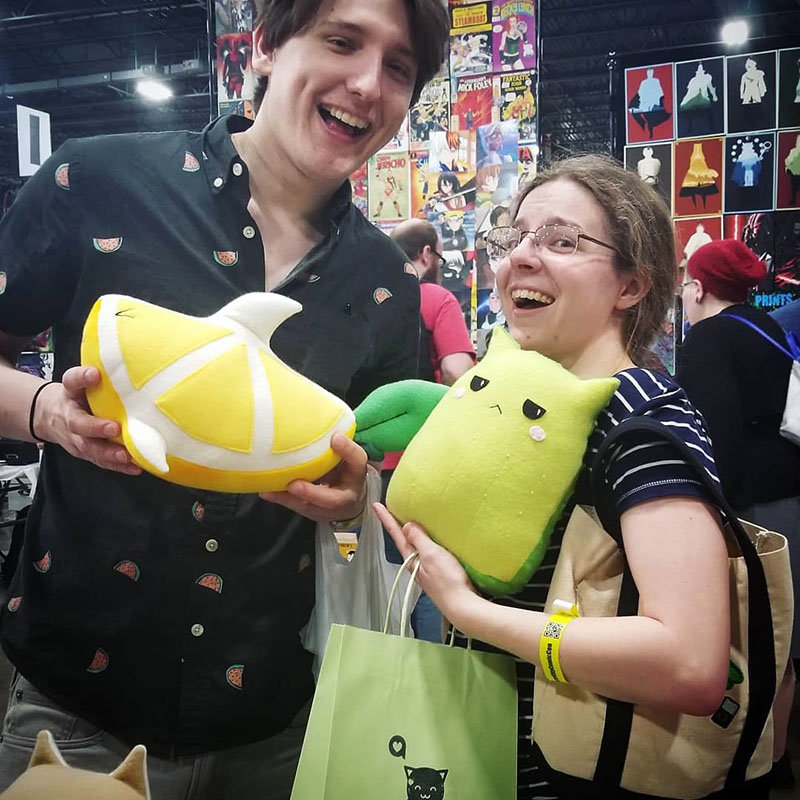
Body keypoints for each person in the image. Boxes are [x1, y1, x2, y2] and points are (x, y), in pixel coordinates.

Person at [0, 1, 449, 798]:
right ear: (269, 44)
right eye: (342, 41)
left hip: (273, 727)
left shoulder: (383, 280)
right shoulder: (96, 179)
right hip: (76, 717)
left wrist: (354, 496)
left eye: (400, 68)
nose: (367, 83)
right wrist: (47, 415)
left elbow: (375, 464)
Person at [376, 155, 760, 799]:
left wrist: (469, 611)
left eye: (561, 240)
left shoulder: (639, 421)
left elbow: (691, 665)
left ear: (631, 287)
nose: (520, 258)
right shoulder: (518, 396)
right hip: (493, 758)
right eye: (516, 237)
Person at [676, 239, 800, 791]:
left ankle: (748, 768)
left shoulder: (705, 339)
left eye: (685, 284)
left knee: (745, 651)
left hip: (749, 513)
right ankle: (776, 762)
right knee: (784, 645)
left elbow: (713, 444)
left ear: (699, 287)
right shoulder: (769, 330)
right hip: (790, 502)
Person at [382, 219, 475, 642]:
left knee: (389, 576)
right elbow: (458, 370)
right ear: (425, 255)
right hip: (427, 460)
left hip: (376, 462)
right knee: (429, 577)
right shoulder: (435, 297)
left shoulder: (373, 300)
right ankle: (428, 682)